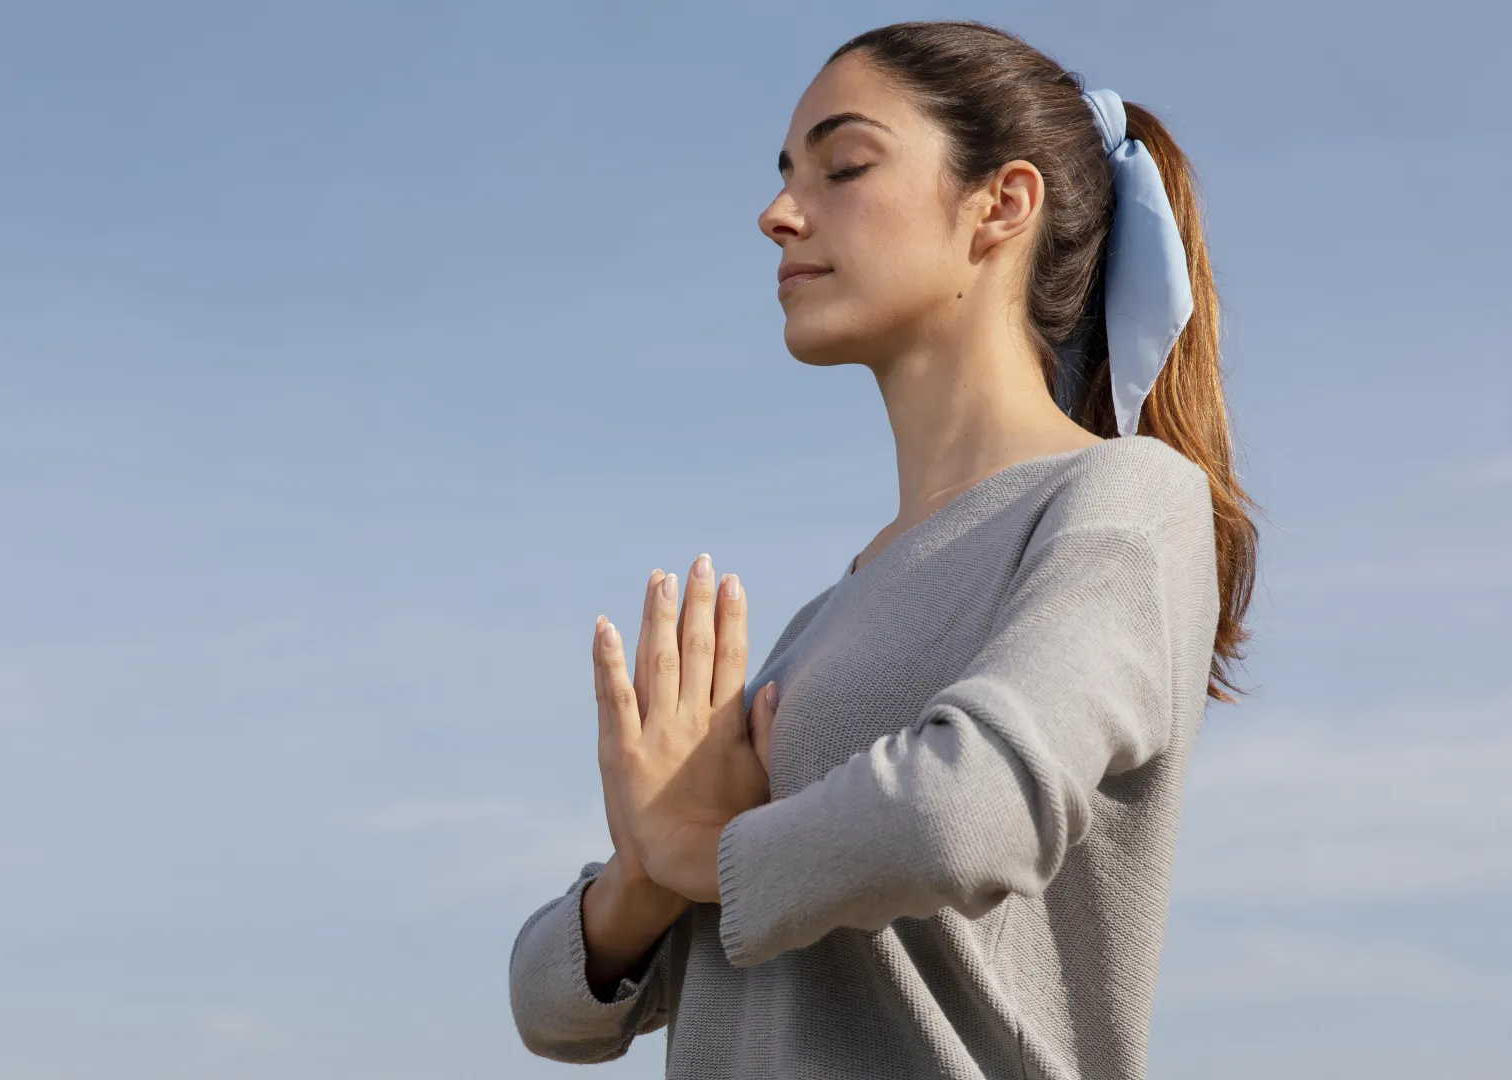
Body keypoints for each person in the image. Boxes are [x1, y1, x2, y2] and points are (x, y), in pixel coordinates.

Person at [506, 20, 1257, 1080]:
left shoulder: (1123, 500)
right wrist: (646, 873)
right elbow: (552, 1005)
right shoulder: (824, 626)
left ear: (1001, 205)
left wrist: (705, 854)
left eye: (844, 165)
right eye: (784, 176)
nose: (778, 214)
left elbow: (967, 812)